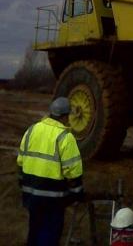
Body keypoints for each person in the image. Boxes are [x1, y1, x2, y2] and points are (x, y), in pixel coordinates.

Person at [17, 96, 84, 246]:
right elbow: (73, 171)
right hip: (52, 199)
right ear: (65, 116)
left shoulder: (32, 130)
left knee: (34, 230)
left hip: (31, 194)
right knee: (49, 234)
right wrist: (77, 193)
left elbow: (21, 160)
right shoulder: (65, 137)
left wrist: (23, 184)